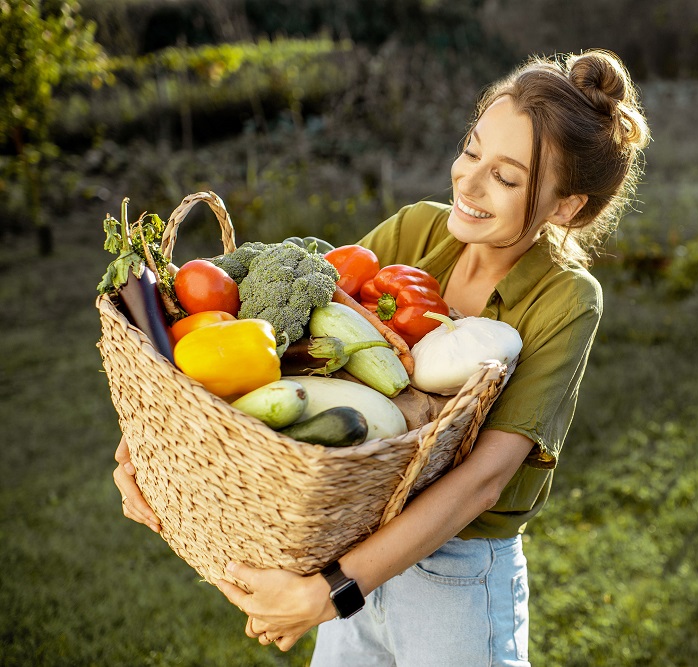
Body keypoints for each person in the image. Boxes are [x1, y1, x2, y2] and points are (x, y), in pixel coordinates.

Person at [113, 48, 649, 665]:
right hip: (354, 539)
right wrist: (154, 449)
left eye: (506, 178)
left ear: (564, 206)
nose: (468, 184)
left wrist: (330, 593)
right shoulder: (417, 230)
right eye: (471, 151)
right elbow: (278, 351)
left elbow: (483, 480)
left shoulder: (565, 299)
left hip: (454, 580)